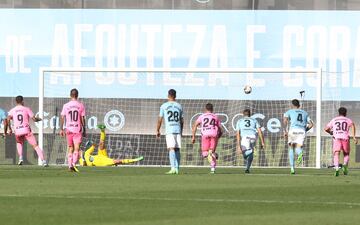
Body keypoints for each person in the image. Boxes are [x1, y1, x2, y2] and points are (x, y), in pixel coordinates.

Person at [7, 95, 47, 166]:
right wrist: (39, 119)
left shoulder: (12, 110)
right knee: (35, 145)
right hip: (26, 130)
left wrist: (9, 128)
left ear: (16, 102)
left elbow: (8, 119)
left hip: (18, 131)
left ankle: (21, 158)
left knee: (19, 143)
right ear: (22, 101)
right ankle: (43, 161)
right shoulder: (26, 109)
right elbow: (34, 119)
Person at [156, 89, 183, 175]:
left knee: (171, 148)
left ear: (168, 95)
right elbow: (182, 121)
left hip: (170, 130)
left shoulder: (164, 106)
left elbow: (160, 119)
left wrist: (157, 130)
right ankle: (177, 168)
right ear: (175, 96)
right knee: (177, 149)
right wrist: (181, 131)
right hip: (177, 130)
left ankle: (173, 168)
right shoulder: (179, 106)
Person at [324, 107, 357, 176]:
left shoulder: (334, 120)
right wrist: (354, 136)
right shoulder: (347, 120)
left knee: (336, 153)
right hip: (345, 138)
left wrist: (330, 132)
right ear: (345, 113)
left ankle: (336, 168)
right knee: (346, 154)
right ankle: (344, 165)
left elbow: (326, 128)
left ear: (338, 113)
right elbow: (353, 125)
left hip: (336, 138)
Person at [283, 99, 313, 174]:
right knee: (298, 147)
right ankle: (300, 153)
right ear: (299, 105)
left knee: (291, 148)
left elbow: (285, 121)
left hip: (293, 131)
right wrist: (305, 130)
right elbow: (311, 124)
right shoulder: (305, 113)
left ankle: (292, 168)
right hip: (302, 131)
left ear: (292, 105)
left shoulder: (289, 111)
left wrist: (285, 131)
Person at [60, 88, 86, 172]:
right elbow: (82, 118)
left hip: (69, 129)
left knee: (70, 148)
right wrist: (84, 129)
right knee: (77, 148)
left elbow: (62, 117)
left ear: (70, 95)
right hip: (77, 129)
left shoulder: (66, 105)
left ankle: (69, 165)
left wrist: (61, 129)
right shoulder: (81, 105)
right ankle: (74, 163)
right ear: (77, 95)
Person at [192, 103, 222, 174]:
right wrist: (218, 137)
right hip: (214, 134)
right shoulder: (215, 116)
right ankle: (213, 169)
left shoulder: (202, 116)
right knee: (211, 152)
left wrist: (193, 136)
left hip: (205, 134)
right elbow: (220, 129)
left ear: (205, 109)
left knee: (205, 153)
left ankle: (213, 156)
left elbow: (195, 125)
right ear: (212, 109)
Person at [236, 109, 265, 173]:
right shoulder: (254, 120)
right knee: (250, 155)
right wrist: (262, 142)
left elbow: (238, 133)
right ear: (250, 114)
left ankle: (252, 150)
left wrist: (238, 146)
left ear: (243, 114)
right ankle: (247, 168)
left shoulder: (240, 121)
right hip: (253, 137)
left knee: (244, 154)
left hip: (245, 138)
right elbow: (260, 131)